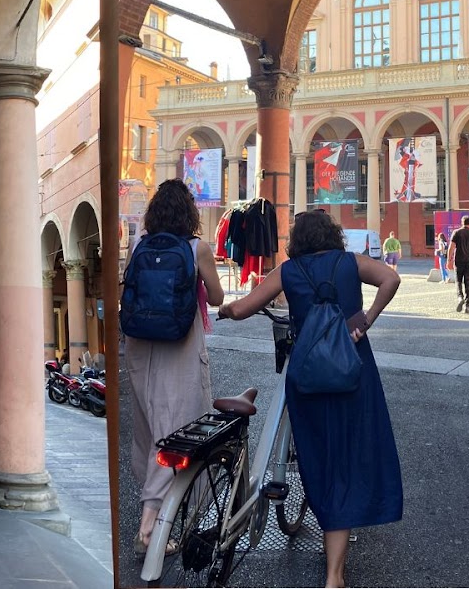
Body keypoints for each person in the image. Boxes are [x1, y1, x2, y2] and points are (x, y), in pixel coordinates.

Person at [219, 209, 403, 589]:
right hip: (353, 369)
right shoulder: (350, 262)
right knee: (346, 461)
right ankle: (334, 575)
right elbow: (391, 278)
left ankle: (322, 521)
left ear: (297, 241)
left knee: (319, 459)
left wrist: (224, 309)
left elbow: (241, 308)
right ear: (332, 235)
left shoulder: (288, 271)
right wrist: (364, 320)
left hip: (308, 375)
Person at [125, 179, 225, 554]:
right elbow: (215, 297)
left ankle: (158, 510)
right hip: (179, 344)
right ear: (189, 212)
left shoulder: (137, 244)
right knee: (177, 434)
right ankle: (149, 528)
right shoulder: (198, 247)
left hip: (139, 344)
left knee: (150, 430)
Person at [450, 216, 469, 313]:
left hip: (459, 260)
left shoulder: (456, 232)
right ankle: (467, 306)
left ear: (462, 223)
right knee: (468, 281)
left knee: (458, 280)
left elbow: (452, 247)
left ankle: (460, 297)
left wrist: (448, 260)